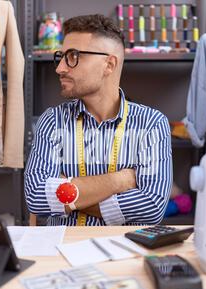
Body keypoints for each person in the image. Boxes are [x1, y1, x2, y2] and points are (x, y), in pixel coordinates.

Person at [24, 14, 173, 226]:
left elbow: (151, 208)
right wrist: (119, 181)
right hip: (63, 253)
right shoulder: (52, 121)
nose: (60, 68)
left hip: (123, 254)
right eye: (62, 56)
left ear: (109, 65)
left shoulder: (151, 124)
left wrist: (70, 191)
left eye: (73, 56)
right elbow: (37, 198)